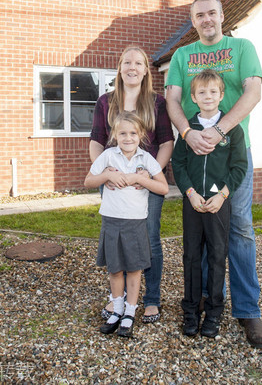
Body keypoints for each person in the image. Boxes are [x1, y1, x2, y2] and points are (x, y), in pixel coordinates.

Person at [165, 0, 262, 349]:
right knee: (204, 233)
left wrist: (219, 130)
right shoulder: (182, 55)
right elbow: (173, 100)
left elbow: (253, 93)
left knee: (238, 229)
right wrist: (188, 133)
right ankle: (210, 306)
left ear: (222, 15)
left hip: (232, 154)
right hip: (195, 153)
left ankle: (247, 310)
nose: (206, 19)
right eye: (199, 15)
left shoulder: (242, 48)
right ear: (192, 20)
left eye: (212, 13)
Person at [89, 46, 174, 323]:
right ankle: (120, 298)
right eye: (127, 62)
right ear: (120, 67)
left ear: (146, 69)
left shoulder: (157, 102)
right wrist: (105, 171)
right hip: (113, 181)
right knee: (116, 240)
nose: (132, 67)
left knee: (148, 239)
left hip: (145, 181)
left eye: (138, 63)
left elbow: (165, 142)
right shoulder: (105, 102)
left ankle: (151, 299)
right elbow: (96, 141)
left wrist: (150, 176)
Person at [171, 69, 247, 338]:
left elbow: (239, 167)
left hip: (217, 202)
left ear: (221, 95)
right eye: (201, 92)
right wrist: (190, 192)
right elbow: (178, 164)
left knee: (216, 257)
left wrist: (222, 195)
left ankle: (214, 313)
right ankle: (190, 311)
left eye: (213, 92)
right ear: (193, 96)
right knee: (191, 257)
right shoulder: (187, 131)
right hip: (193, 201)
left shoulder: (232, 130)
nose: (207, 96)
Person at [84, 112, 170, 338]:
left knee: (133, 269)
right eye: (122, 133)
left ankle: (130, 312)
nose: (128, 138)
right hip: (112, 221)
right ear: (114, 135)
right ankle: (117, 309)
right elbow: (88, 181)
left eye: (133, 133)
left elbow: (163, 188)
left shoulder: (146, 160)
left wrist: (142, 179)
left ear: (141, 135)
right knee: (115, 269)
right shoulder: (108, 157)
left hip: (135, 223)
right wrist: (106, 176)